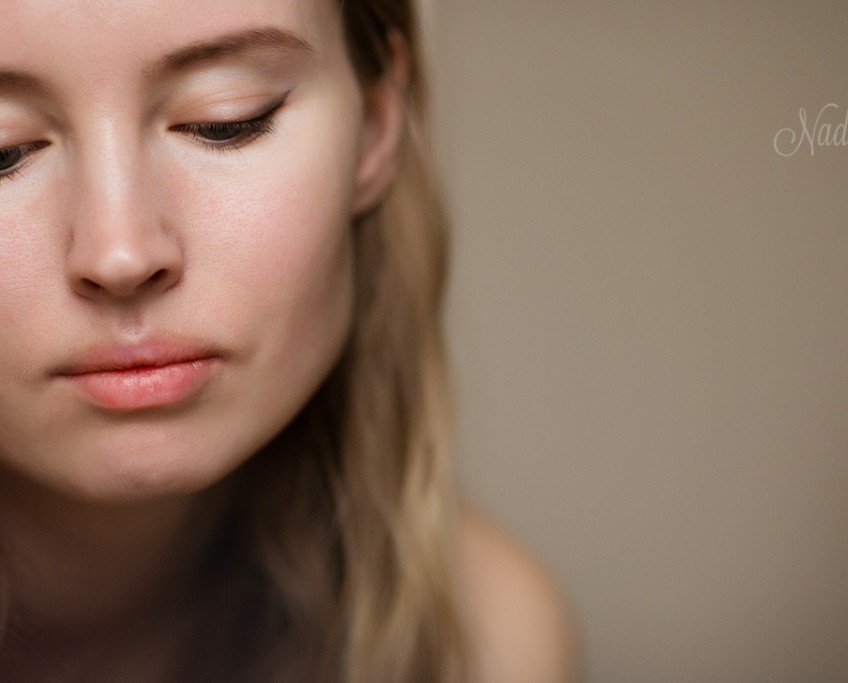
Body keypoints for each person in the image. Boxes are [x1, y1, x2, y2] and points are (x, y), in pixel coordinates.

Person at [0, 0, 576, 681]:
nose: (121, 253)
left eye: (226, 120)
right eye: (4, 149)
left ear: (376, 126)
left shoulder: (487, 642)